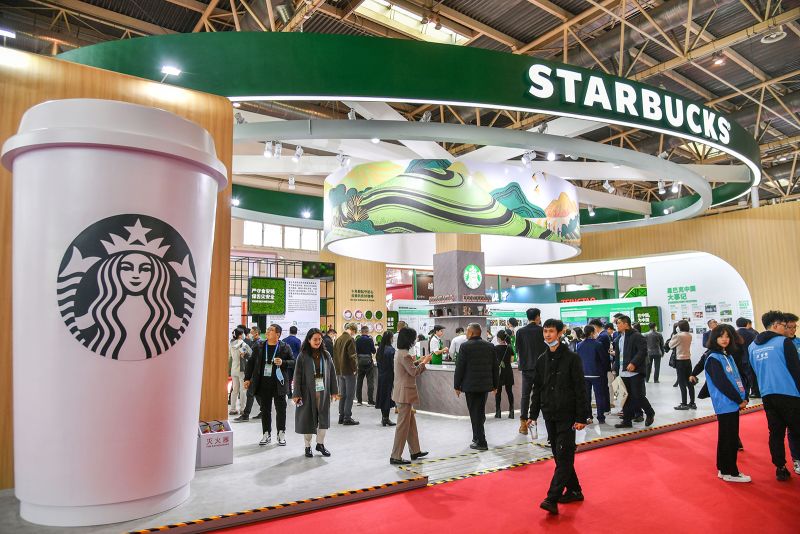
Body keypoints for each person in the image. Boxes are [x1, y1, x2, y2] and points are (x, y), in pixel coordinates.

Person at [529, 319, 589, 515]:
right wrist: (532, 414)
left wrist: (582, 417)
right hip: (549, 413)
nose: (547, 335)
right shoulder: (541, 360)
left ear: (560, 333)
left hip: (567, 415)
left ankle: (551, 497)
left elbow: (581, 388)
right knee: (559, 455)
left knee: (564, 455)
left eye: (551, 332)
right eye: (545, 331)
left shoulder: (572, 358)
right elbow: (536, 389)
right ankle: (574, 490)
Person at [748, 311, 800, 481]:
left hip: (767, 395)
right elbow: (796, 370)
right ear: (776, 325)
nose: (787, 329)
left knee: (775, 433)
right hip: (789, 394)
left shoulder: (752, 347)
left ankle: (780, 467)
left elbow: (753, 372)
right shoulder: (783, 342)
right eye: (785, 326)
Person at [705, 325, 750, 482]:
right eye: (721, 336)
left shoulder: (727, 356)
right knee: (728, 438)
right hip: (726, 403)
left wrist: (744, 396)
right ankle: (730, 472)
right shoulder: (713, 358)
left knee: (728, 437)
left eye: (727, 336)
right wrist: (739, 400)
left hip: (733, 403)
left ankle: (724, 469)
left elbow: (736, 378)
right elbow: (721, 383)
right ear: (715, 338)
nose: (725, 339)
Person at [292, 328, 340, 458]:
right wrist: (296, 394)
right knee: (307, 420)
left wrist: (335, 391)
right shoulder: (302, 356)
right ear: (309, 340)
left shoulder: (326, 355)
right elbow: (297, 376)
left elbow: (332, 373)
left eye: (319, 339)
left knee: (323, 420)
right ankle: (307, 446)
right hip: (307, 394)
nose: (318, 341)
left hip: (323, 393)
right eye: (315, 339)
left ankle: (320, 444)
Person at [244, 323, 294, 446]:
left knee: (281, 410)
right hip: (263, 384)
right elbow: (251, 362)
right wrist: (247, 378)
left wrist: (283, 362)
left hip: (279, 384)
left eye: (271, 330)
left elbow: (293, 361)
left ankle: (281, 433)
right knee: (265, 410)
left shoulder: (284, 347)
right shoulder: (259, 346)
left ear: (278, 334)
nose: (267, 332)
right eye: (267, 330)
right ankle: (266, 433)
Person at [390, 327, 431, 465]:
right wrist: (424, 363)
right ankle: (395, 456)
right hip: (405, 394)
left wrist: (418, 361)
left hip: (401, 392)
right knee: (403, 426)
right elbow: (413, 373)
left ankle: (415, 451)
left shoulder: (400, 353)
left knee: (410, 424)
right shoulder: (405, 355)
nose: (414, 341)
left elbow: (409, 368)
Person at [454, 323, 498, 451]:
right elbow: (495, 368)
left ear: (472, 333)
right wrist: (495, 385)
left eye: (467, 332)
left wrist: (457, 385)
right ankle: (476, 437)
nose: (466, 334)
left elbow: (460, 368)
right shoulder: (489, 346)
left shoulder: (465, 346)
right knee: (479, 412)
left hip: (470, 386)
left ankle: (481, 441)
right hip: (485, 386)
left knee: (475, 413)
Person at [613, 315, 655, 428]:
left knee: (638, 395)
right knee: (625, 397)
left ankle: (650, 412)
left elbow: (642, 351)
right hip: (622, 372)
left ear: (626, 324)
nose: (617, 325)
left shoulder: (636, 336)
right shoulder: (618, 338)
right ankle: (627, 420)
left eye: (619, 323)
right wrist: (615, 369)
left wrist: (634, 363)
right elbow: (618, 356)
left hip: (635, 372)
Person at [516, 308, 546, 434]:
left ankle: (523, 424)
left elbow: (518, 349)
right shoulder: (542, 330)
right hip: (541, 368)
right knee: (541, 395)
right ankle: (543, 419)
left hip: (526, 368)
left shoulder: (520, 332)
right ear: (538, 317)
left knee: (525, 395)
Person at [577, 325, 609, 424]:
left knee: (586, 397)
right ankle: (600, 417)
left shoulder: (579, 345)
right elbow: (604, 359)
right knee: (599, 396)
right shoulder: (598, 344)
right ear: (591, 333)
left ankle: (588, 416)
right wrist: (606, 370)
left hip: (584, 374)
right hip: (597, 374)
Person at [783, 314, 800, 475]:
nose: (792, 330)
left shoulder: (798, 342)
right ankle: (797, 459)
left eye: (795, 326)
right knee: (794, 427)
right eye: (789, 327)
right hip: (789, 392)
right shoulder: (780, 344)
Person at [334, 323, 359, 425]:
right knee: (350, 395)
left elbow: (334, 356)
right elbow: (352, 357)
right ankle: (347, 417)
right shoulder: (350, 339)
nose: (354, 334)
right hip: (348, 371)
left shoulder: (338, 339)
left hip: (339, 371)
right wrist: (355, 369)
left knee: (342, 394)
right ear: (352, 330)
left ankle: (341, 416)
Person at [235, 327, 260, 422]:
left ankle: (246, 415)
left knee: (250, 393)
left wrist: (245, 355)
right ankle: (264, 411)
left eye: (251, 332)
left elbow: (254, 359)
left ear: (256, 333)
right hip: (252, 371)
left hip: (255, 373)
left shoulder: (258, 344)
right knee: (256, 394)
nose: (249, 334)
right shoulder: (252, 342)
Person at [670, 320, 696, 410]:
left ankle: (684, 403)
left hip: (680, 360)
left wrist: (674, 333)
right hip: (688, 359)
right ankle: (692, 403)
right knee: (690, 382)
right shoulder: (689, 335)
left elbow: (670, 345)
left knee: (681, 383)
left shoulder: (678, 336)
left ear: (679, 327)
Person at [228, 328, 252, 416]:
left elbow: (229, 357)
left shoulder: (231, 344)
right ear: (240, 335)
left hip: (233, 369)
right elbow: (250, 354)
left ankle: (233, 409)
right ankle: (242, 409)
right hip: (242, 369)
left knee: (234, 390)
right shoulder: (243, 344)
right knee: (243, 390)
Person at [375, 331, 397, 427]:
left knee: (382, 396)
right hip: (389, 376)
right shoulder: (391, 350)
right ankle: (386, 418)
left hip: (381, 375)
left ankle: (384, 417)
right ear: (390, 338)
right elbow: (394, 364)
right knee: (387, 396)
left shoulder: (380, 349)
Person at [493, 330, 515, 419]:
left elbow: (494, 361)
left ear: (498, 339)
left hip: (499, 372)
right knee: (509, 392)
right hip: (508, 371)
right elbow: (512, 360)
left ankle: (498, 412)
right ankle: (512, 412)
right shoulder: (509, 348)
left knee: (498, 393)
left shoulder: (495, 348)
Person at [736, 317, 760, 398]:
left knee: (741, 377)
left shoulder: (734, 334)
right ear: (747, 324)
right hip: (751, 357)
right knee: (752, 376)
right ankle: (755, 392)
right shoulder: (752, 333)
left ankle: (744, 393)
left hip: (739, 359)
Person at [355, 325, 377, 406]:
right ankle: (370, 400)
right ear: (367, 331)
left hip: (360, 363)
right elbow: (374, 351)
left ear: (361, 331)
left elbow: (355, 351)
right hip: (368, 363)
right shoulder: (370, 340)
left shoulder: (357, 340)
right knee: (370, 382)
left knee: (359, 381)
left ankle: (359, 400)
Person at [283, 325, 302, 399]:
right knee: (296, 378)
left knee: (288, 378)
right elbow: (300, 352)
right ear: (296, 332)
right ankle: (296, 393)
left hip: (287, 362)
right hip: (295, 362)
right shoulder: (298, 341)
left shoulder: (284, 340)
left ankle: (289, 394)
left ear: (289, 331)